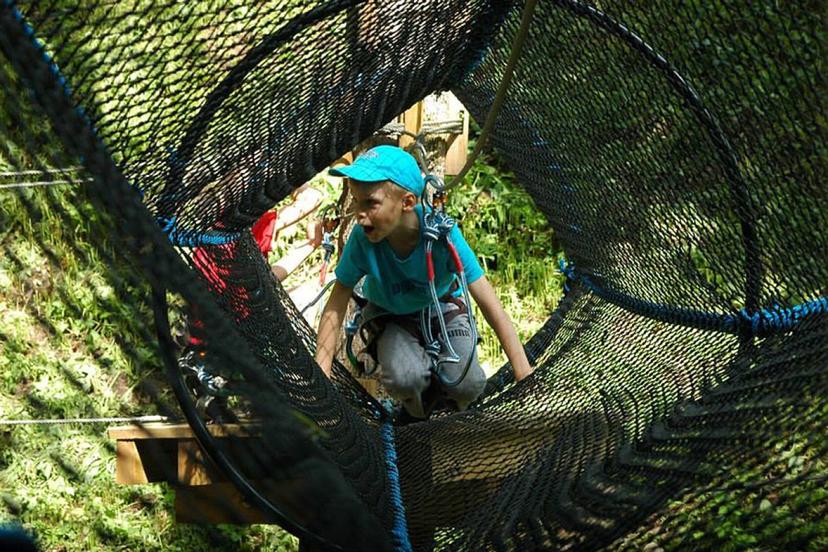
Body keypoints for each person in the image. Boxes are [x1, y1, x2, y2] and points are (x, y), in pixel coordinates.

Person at [315, 145, 533, 420]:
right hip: (392, 315)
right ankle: (414, 417)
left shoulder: (443, 237)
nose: (359, 213)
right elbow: (336, 304)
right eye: (356, 201)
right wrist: (321, 373)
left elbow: (491, 305)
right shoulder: (362, 240)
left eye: (370, 203)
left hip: (444, 308)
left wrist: (522, 371)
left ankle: (448, 411)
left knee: (468, 384)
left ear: (407, 202)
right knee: (405, 378)